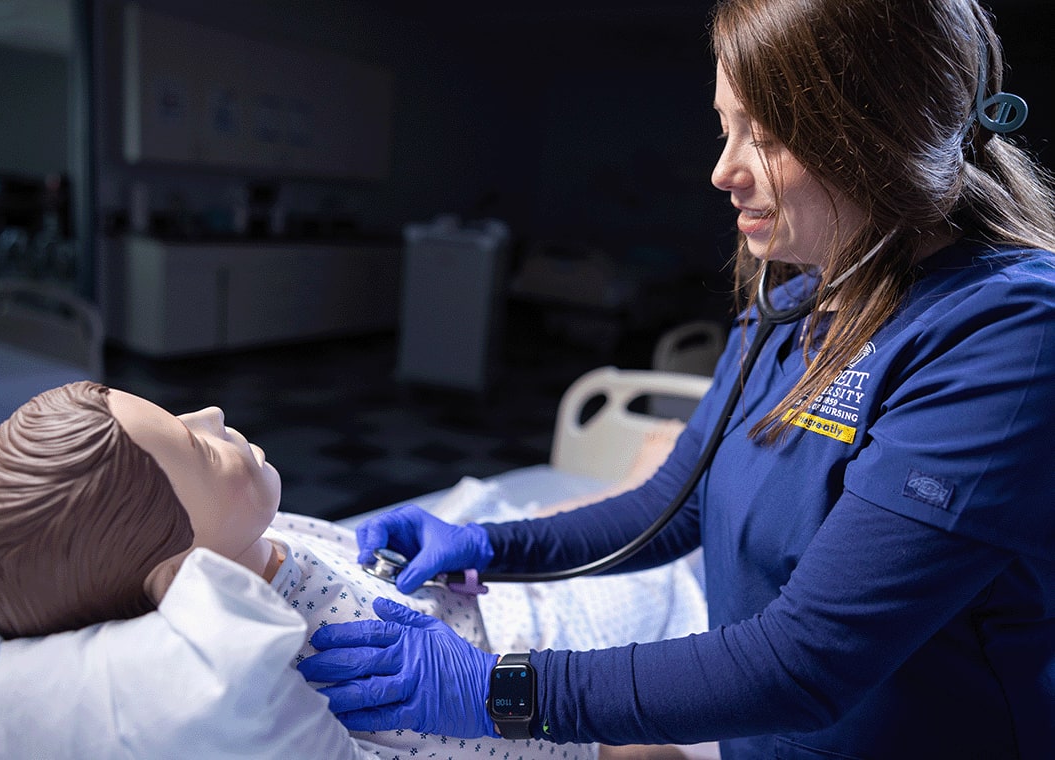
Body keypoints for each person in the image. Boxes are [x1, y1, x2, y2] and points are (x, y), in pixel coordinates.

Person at [296, 1, 1055, 758]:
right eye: (726, 127)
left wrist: (496, 691)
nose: (724, 171)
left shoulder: (1004, 333)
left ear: (885, 132)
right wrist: (486, 544)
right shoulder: (792, 304)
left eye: (766, 133)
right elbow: (676, 504)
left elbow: (807, 662)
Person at [0, 380, 705, 759]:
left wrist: (463, 557)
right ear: (181, 575)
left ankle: (645, 479)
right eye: (196, 447)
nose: (211, 419)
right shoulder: (331, 663)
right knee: (669, 517)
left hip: (479, 592)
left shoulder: (252, 539)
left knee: (557, 516)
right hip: (546, 647)